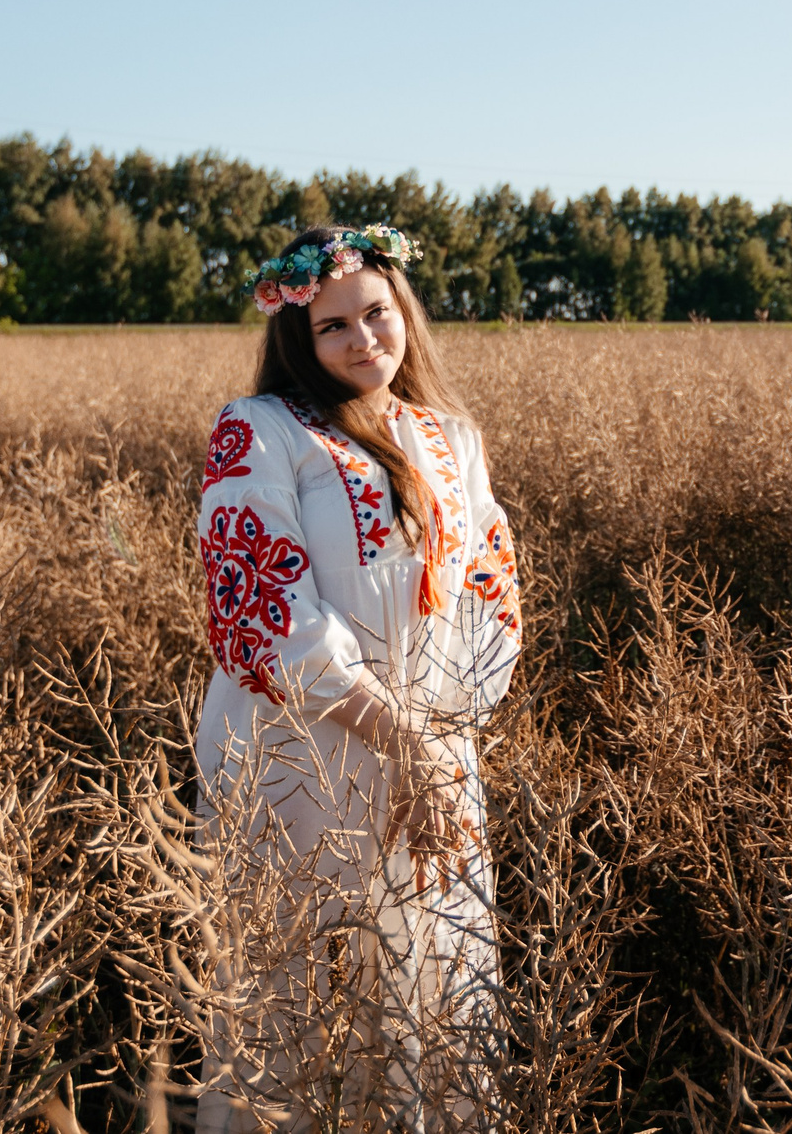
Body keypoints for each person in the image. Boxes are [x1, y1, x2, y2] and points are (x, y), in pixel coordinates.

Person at [192, 224, 522, 1133]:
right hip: (297, 763)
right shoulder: (258, 431)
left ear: (403, 309)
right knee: (295, 1002)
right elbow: (260, 612)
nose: (363, 338)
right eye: (333, 325)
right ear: (298, 337)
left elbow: (492, 594)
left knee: (433, 994)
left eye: (377, 313)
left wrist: (439, 746)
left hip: (430, 766)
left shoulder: (453, 438)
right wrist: (401, 738)